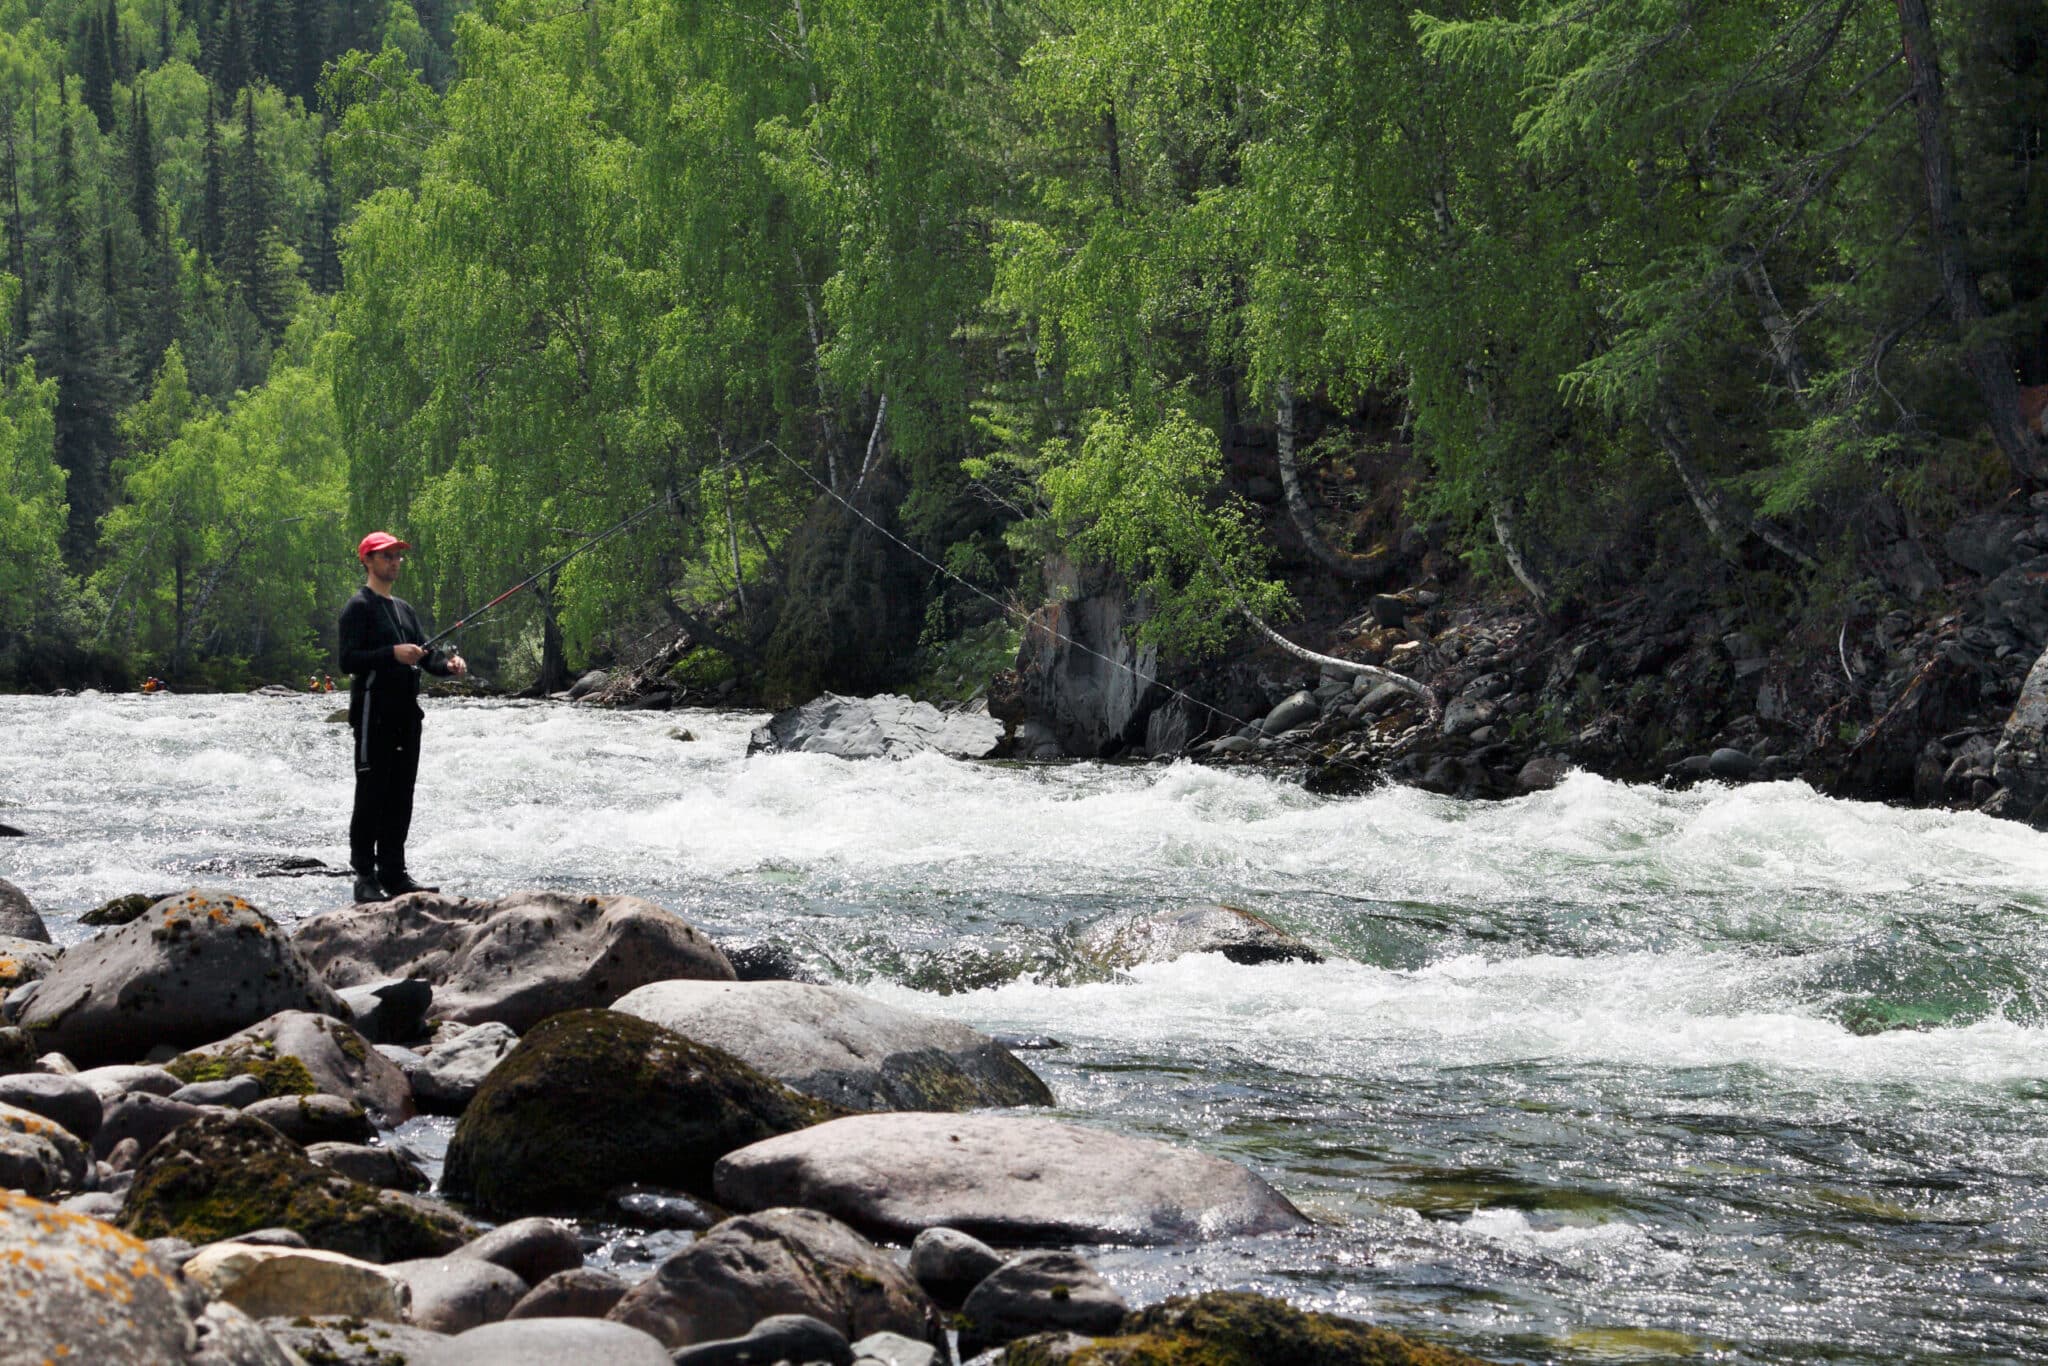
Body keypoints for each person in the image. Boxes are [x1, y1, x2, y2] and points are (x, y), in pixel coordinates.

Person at [338, 531, 466, 904]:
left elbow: (426, 657)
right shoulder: (357, 607)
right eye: (386, 556)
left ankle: (394, 874)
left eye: (397, 557)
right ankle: (365, 877)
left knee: (400, 798)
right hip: (372, 717)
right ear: (368, 560)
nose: (394, 562)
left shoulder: (405, 610)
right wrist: (391, 653)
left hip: (406, 718)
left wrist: (449, 664)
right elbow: (348, 661)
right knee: (371, 797)